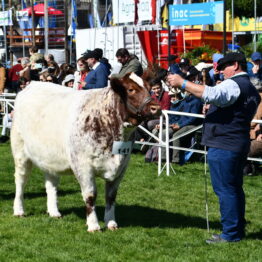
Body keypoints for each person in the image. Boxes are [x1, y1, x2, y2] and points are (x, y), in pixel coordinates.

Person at [167, 52, 261, 243]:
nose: (220, 71)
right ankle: (236, 229)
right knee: (234, 188)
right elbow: (228, 104)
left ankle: (230, 234)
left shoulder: (234, 83)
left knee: (225, 189)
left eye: (223, 67)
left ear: (235, 65)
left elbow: (210, 93)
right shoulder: (250, 88)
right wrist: (215, 108)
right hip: (238, 142)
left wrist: (182, 82)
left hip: (224, 144)